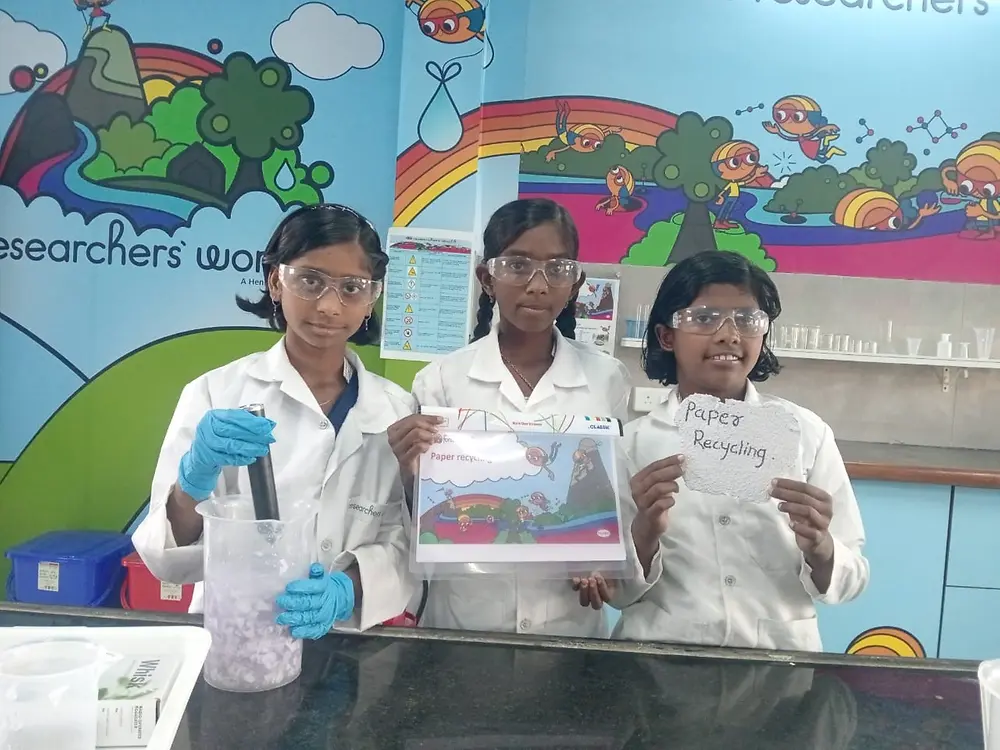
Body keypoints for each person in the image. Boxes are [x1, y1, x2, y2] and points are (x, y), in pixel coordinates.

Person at [132, 204, 416, 637]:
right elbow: (165, 558)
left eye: (351, 288)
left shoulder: (395, 408)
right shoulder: (215, 393)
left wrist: (347, 587)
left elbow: (401, 538)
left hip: (346, 641)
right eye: (310, 281)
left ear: (371, 297)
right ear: (275, 282)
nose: (328, 305)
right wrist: (195, 479)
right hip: (237, 632)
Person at [387, 197, 666, 637]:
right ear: (487, 279)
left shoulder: (606, 378)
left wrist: (600, 560)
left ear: (575, 284)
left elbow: (610, 498)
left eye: (557, 269)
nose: (538, 284)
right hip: (465, 622)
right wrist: (407, 469)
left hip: (567, 625)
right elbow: (417, 509)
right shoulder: (442, 379)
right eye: (517, 266)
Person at [614, 250, 869, 651]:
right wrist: (644, 534)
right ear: (667, 336)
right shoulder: (633, 445)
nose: (729, 334)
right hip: (662, 666)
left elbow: (852, 579)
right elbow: (615, 593)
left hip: (780, 665)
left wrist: (820, 547)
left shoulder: (805, 434)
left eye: (748, 320)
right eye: (703, 318)